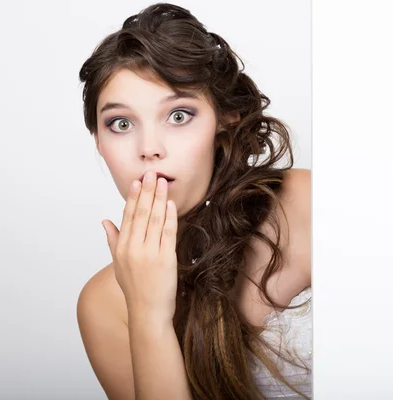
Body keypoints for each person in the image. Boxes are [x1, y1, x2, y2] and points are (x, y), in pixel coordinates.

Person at [76, 3, 311, 399]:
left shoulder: (304, 204)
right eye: (121, 123)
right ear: (100, 143)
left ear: (224, 120)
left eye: (179, 116)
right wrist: (147, 313)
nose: (149, 148)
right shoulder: (103, 303)